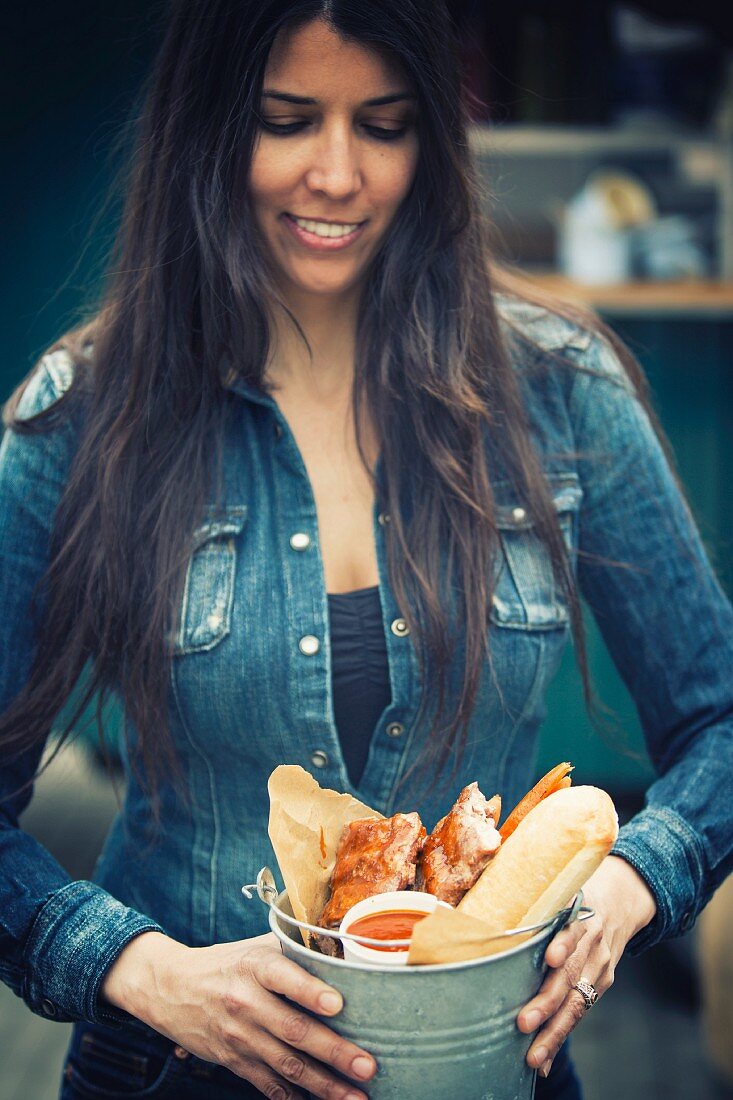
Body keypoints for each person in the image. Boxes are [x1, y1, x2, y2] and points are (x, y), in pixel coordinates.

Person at [1, 1, 731, 1098]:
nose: (337, 174)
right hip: (173, 1070)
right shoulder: (81, 415)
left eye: (383, 125)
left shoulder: (564, 389)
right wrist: (135, 964)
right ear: (206, 131)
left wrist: (641, 870)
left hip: (491, 1063)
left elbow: (718, 711)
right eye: (286, 121)